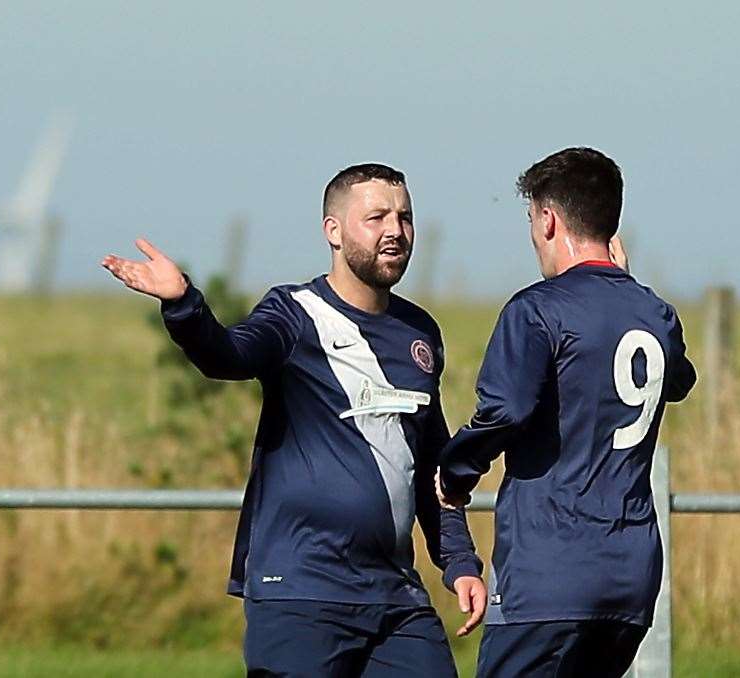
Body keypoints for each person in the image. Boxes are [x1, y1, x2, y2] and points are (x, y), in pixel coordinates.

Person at [103, 163, 485, 677]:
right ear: (333, 230)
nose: (395, 231)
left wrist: (458, 561)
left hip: (394, 595)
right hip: (301, 591)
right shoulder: (294, 313)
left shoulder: (419, 331)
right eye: (376, 217)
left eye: (405, 217)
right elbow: (227, 357)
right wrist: (184, 306)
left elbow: (432, 463)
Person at [436, 147, 696, 678]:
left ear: (549, 219)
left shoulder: (536, 310)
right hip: (630, 575)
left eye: (533, 220)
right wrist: (625, 288)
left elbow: (505, 410)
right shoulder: (654, 311)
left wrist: (455, 471)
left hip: (550, 573)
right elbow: (681, 378)